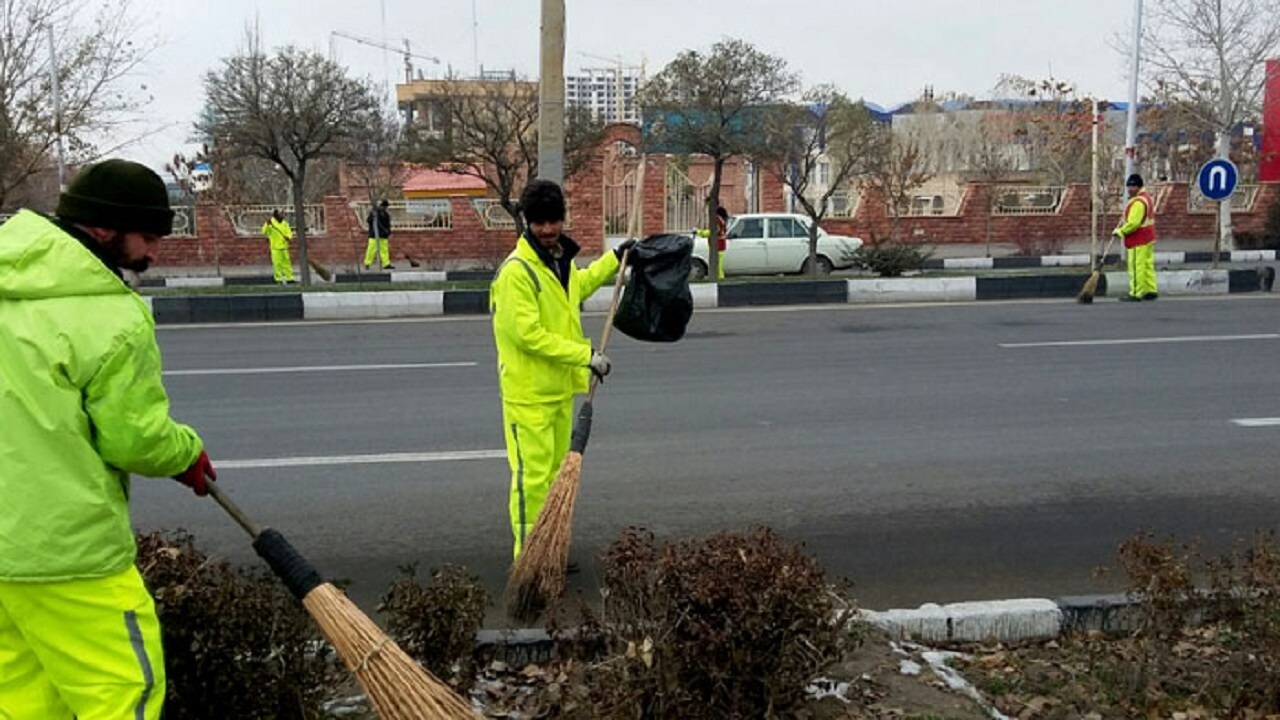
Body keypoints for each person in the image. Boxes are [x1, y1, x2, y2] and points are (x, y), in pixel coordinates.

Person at [0, 158, 217, 719]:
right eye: (147, 236)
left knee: (23, 698)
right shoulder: (110, 317)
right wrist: (186, 452)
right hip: (67, 555)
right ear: (103, 228)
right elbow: (135, 441)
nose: (153, 252)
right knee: (123, 693)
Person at [489, 179, 629, 558]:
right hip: (528, 396)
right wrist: (585, 356)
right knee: (531, 482)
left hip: (558, 392)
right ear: (526, 222)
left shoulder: (557, 262)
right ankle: (528, 561)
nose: (548, 229)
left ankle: (548, 550)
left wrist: (616, 259)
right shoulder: (517, 272)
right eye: (539, 222)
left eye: (554, 221)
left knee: (552, 481)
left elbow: (576, 288)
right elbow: (527, 335)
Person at [1113, 173, 1158, 301]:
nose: (1129, 189)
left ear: (1137, 186)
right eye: (1128, 187)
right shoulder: (1146, 198)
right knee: (1147, 265)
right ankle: (1151, 290)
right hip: (1148, 237)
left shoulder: (1138, 202)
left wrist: (1120, 231)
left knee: (1136, 266)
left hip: (1138, 239)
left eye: (1131, 187)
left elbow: (1133, 223)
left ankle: (1136, 292)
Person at [261, 208, 295, 284]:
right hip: (275, 248)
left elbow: (289, 232)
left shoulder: (285, 223)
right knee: (277, 264)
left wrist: (288, 237)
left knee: (287, 263)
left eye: (283, 213)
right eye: (280, 213)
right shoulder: (270, 223)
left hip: (284, 247)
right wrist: (267, 225)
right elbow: (264, 232)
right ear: (276, 214)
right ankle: (278, 279)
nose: (282, 215)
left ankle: (290, 278)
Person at [364, 199, 395, 271]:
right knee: (371, 250)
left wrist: (388, 232)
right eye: (383, 207)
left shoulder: (386, 215)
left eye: (385, 207)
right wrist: (373, 215)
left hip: (383, 235)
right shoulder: (374, 213)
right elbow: (369, 220)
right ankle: (367, 263)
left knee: (384, 250)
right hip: (374, 235)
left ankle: (386, 264)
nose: (384, 208)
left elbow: (388, 225)